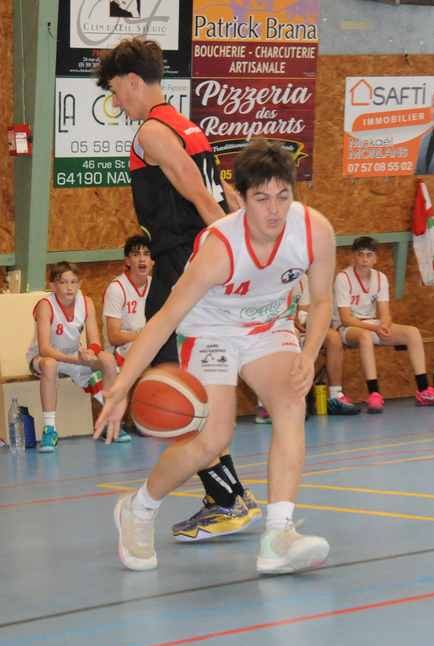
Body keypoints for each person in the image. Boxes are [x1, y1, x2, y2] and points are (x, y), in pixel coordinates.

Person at [94, 138, 334, 576]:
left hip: (267, 326)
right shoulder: (221, 249)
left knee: (290, 401)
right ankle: (139, 508)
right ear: (238, 198)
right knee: (211, 439)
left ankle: (278, 536)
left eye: (283, 196)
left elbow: (321, 301)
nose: (274, 210)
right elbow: (164, 320)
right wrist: (122, 386)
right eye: (261, 198)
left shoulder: (314, 231)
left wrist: (309, 351)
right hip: (212, 332)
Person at [97, 37, 258, 542]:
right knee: (195, 381)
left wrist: (233, 257)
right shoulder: (189, 127)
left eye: (115, 92)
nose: (117, 102)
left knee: (173, 385)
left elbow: (200, 195)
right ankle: (228, 495)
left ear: (133, 82)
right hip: (199, 262)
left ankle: (226, 499)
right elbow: (225, 194)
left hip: (182, 267)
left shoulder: (152, 131)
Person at [334, 236, 434, 413]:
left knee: (412, 332)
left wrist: (385, 325)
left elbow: (385, 313)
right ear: (353, 256)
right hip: (347, 328)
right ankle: (374, 394)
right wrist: (376, 328)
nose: (364, 259)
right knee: (365, 337)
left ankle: (423, 391)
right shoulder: (343, 278)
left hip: (371, 324)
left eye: (369, 255)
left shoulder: (380, 277)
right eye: (360, 254)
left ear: (375, 258)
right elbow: (346, 319)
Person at [28, 262, 130, 452]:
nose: (69, 287)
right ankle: (49, 429)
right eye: (63, 282)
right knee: (50, 365)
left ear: (79, 284)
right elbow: (44, 349)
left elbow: (95, 341)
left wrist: (90, 352)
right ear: (52, 286)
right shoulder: (45, 305)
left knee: (108, 360)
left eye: (73, 282)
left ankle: (109, 420)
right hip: (44, 357)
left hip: (74, 354)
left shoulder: (86, 302)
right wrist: (78, 360)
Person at [257, 274, 360, 422]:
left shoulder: (301, 278)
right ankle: (267, 405)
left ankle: (335, 396)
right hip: (265, 329)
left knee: (333, 338)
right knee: (290, 337)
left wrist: (303, 322)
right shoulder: (267, 276)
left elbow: (303, 312)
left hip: (292, 327)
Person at [102, 234, 152, 369]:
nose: (142, 259)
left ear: (152, 260)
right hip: (120, 349)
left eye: (146, 254)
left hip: (147, 342)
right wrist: (144, 336)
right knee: (143, 348)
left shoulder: (156, 285)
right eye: (136, 255)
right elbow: (114, 336)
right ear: (127, 261)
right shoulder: (116, 288)